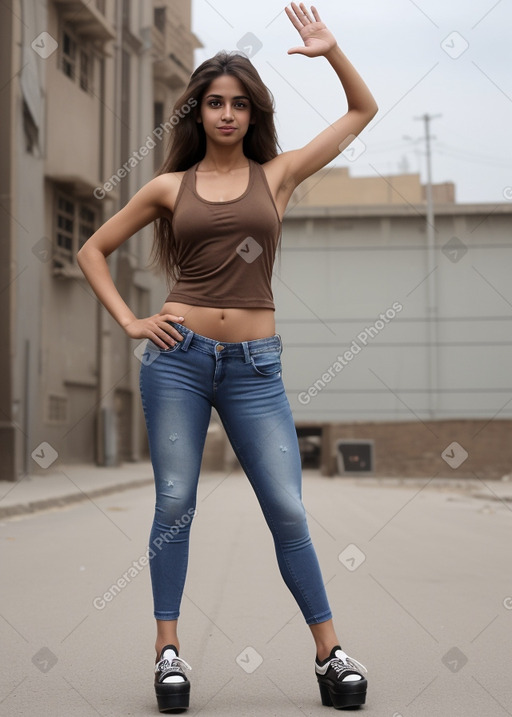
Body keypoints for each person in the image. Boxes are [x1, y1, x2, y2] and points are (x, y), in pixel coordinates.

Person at [77, 2, 378, 712]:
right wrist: (130, 321)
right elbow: (93, 249)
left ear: (252, 113)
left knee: (287, 508)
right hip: (177, 360)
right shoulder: (166, 188)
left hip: (255, 368)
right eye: (214, 102)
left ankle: (330, 654)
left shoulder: (277, 175)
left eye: (240, 103)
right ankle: (169, 652)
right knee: (176, 500)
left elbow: (361, 111)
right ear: (196, 113)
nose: (227, 113)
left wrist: (331, 51)